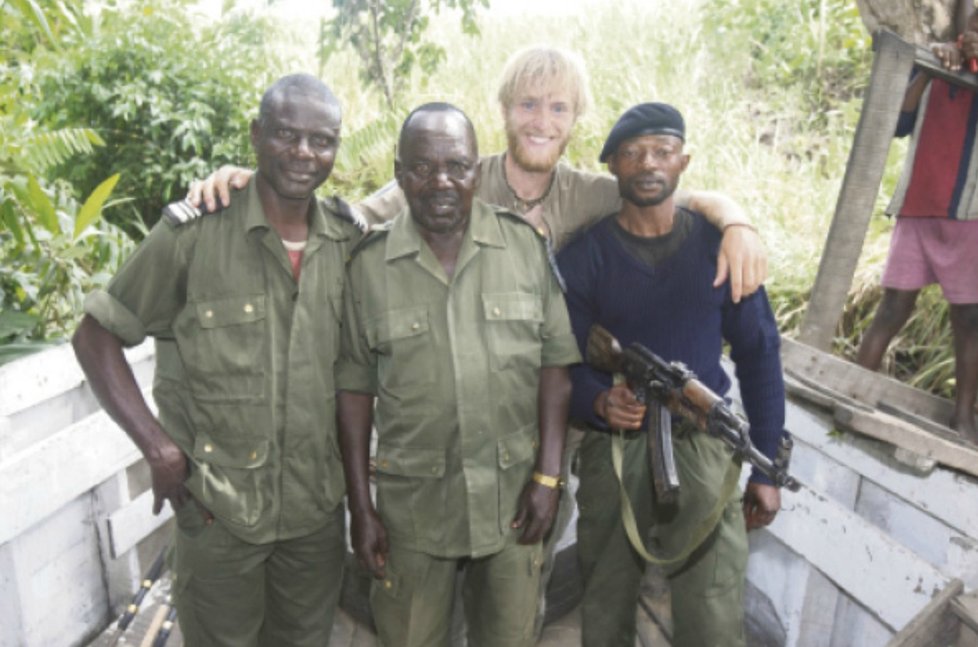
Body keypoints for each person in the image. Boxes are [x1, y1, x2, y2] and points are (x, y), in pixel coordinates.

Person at [71, 74, 361, 646]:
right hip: (217, 513)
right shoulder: (194, 234)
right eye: (285, 134)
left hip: (313, 518)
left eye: (321, 140)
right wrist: (157, 448)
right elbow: (95, 336)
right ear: (256, 135)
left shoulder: (350, 244)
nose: (304, 153)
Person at [334, 102, 581, 647]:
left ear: (476, 170)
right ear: (400, 175)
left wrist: (548, 478)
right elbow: (353, 394)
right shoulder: (368, 267)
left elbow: (555, 369)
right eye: (422, 168)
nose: (441, 181)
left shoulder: (523, 248)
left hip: (514, 503)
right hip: (413, 514)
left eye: (457, 166)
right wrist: (361, 506)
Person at [557, 103, 787, 647]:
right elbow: (557, 362)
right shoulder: (583, 259)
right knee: (606, 594)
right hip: (615, 444)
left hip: (704, 438)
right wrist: (596, 401)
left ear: (684, 162)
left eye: (662, 151)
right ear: (612, 165)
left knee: (712, 605)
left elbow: (760, 354)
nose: (647, 164)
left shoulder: (719, 247)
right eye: (632, 154)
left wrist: (768, 470)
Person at [856, 13, 978, 443]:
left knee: (969, 317)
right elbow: (898, 121)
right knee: (893, 308)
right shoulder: (932, 61)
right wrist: (929, 68)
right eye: (976, 26)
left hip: (970, 215)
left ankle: (964, 419)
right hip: (918, 208)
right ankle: (856, 389)